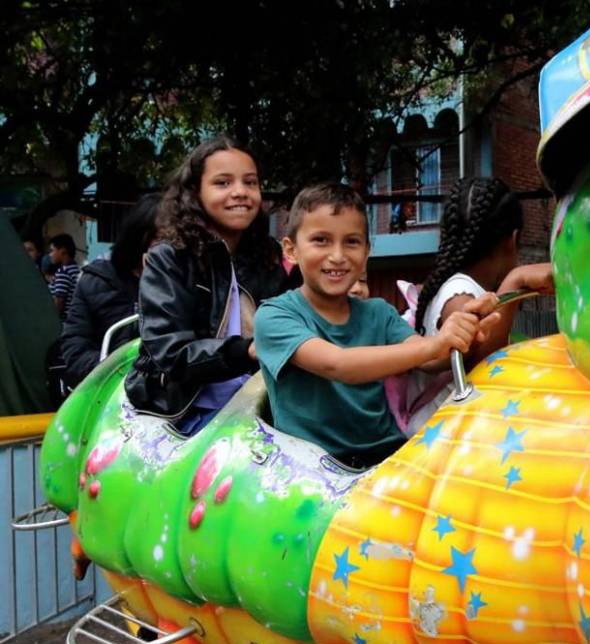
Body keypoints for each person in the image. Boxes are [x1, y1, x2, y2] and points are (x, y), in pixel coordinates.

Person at [254, 183, 497, 468]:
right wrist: (435, 344)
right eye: (321, 240)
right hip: (313, 469)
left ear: (367, 251)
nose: (337, 255)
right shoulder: (274, 316)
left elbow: (430, 358)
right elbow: (338, 365)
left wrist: (462, 332)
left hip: (387, 457)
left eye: (352, 242)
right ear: (291, 250)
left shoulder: (379, 312)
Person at [124, 135, 287, 431]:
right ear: (195, 193)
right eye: (223, 183)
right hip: (185, 414)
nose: (240, 192)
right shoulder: (170, 258)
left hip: (260, 407)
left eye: (250, 182)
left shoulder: (267, 256)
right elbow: (171, 353)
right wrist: (246, 351)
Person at [406, 177, 553, 431]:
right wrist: (514, 281)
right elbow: (484, 367)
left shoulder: (456, 286)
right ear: (513, 239)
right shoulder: (459, 295)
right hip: (441, 434)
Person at [58, 195, 159, 388]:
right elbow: (75, 346)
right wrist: (115, 371)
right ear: (139, 237)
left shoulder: (188, 282)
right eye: (159, 238)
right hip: (108, 391)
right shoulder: (96, 281)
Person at [47, 234, 81, 317]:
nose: (49, 255)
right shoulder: (76, 269)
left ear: (63, 251)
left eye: (52, 251)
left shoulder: (63, 272)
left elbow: (59, 303)